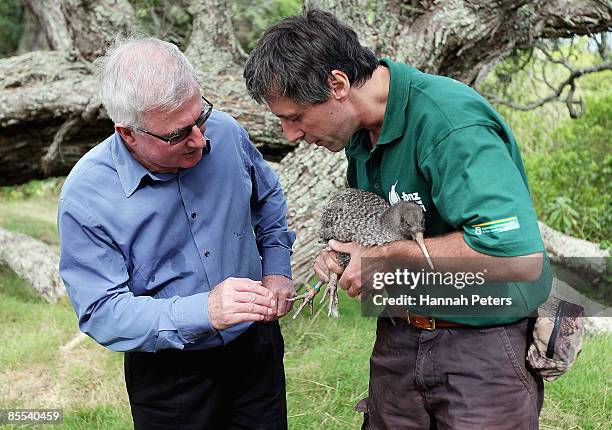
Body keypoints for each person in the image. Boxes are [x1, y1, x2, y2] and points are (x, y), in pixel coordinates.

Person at [244, 8, 552, 430]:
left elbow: (518, 257)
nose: (290, 135)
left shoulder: (450, 123)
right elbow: (378, 228)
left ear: (337, 85)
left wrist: (387, 259)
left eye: (295, 117)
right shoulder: (359, 134)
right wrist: (344, 256)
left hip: (481, 344)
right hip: (400, 337)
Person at [58, 36, 296, 430]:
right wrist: (204, 311)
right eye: (177, 134)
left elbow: (267, 198)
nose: (201, 140)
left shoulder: (227, 132)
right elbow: (102, 313)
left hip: (257, 350)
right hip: (170, 376)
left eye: (200, 117)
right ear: (128, 133)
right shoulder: (86, 197)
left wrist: (277, 269)